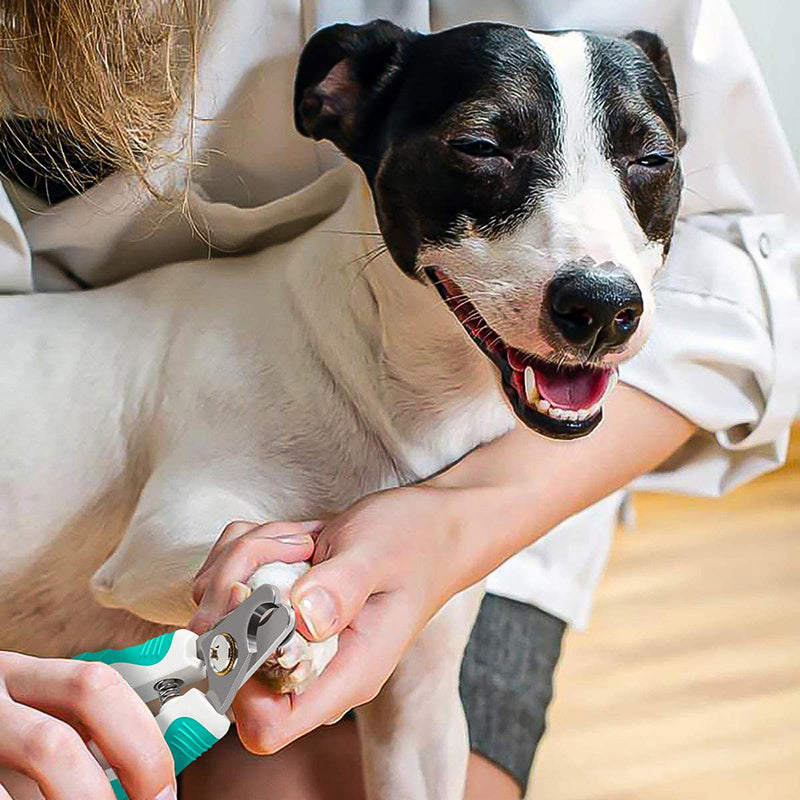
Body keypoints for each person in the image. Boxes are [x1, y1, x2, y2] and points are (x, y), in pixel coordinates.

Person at [0, 1, 797, 799]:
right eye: (484, 150)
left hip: (505, 478)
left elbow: (749, 271)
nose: (597, 274)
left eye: (647, 162)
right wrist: (289, 603)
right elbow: (142, 564)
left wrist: (462, 526)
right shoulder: (262, 361)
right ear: (338, 103)